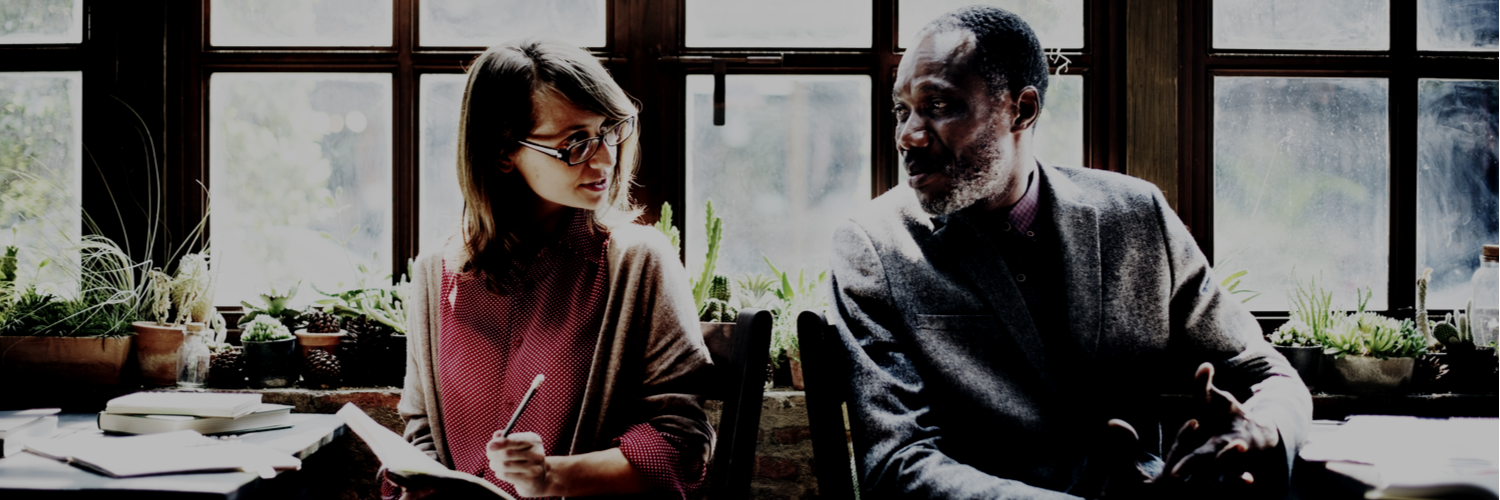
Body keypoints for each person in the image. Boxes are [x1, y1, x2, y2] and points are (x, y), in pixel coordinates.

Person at [827, 6, 1312, 499]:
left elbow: (1264, 371)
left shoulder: (1136, 215)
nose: (908, 134)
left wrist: (1261, 431)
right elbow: (896, 463)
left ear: (1023, 109)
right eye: (901, 110)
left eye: (938, 106)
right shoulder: (873, 248)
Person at [384, 38, 714, 500]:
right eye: (575, 142)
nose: (604, 159)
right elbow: (423, 437)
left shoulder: (637, 263)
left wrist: (550, 477)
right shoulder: (434, 273)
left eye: (608, 131)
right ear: (502, 154)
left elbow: (680, 446)